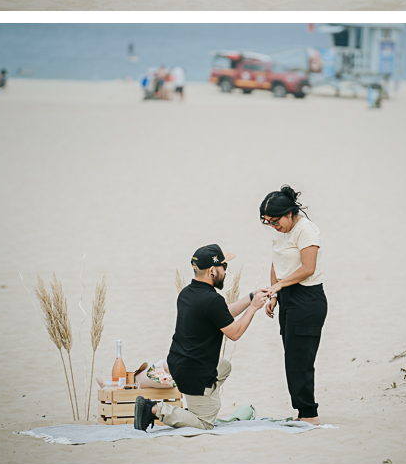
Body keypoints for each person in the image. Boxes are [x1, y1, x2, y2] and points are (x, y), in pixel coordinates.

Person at [133, 244, 268, 431]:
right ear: (212, 271)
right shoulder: (212, 300)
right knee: (205, 423)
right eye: (224, 267)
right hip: (194, 373)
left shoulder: (187, 293)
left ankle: (200, 402)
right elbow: (234, 332)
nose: (226, 272)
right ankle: (154, 408)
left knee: (225, 366)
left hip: (178, 363)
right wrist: (253, 308)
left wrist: (251, 296)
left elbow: (222, 314)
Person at [261, 185, 327, 424]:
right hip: (287, 296)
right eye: (268, 222)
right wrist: (274, 295)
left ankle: (309, 414)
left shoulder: (306, 230)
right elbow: (275, 262)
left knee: (301, 360)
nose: (273, 226)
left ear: (289, 213)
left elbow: (308, 268)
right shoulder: (279, 231)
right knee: (291, 359)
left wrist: (279, 286)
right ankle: (303, 412)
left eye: (276, 220)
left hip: (307, 298)